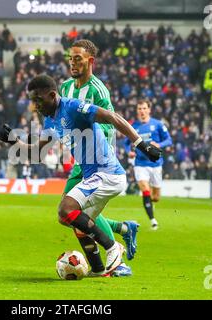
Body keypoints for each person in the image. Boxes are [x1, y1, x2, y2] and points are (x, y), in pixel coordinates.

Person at [0, 75, 162, 276]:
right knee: (71, 220)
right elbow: (36, 153)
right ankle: (100, 269)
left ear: (51, 95)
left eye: (38, 100)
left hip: (106, 173)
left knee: (66, 208)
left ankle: (113, 247)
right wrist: (13, 140)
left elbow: (113, 117)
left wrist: (141, 144)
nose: (35, 106)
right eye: (33, 101)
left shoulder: (73, 107)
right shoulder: (50, 120)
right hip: (93, 176)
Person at [60, 39, 139, 276]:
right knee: (73, 216)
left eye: (78, 59)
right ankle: (122, 231)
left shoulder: (99, 91)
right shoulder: (65, 88)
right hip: (80, 159)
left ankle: (117, 257)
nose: (73, 63)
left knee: (70, 212)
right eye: (70, 58)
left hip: (96, 160)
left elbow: (109, 124)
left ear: (90, 62)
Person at [125, 99, 173, 230]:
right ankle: (153, 220)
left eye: (144, 108)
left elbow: (169, 140)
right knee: (145, 190)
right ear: (137, 111)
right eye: (139, 109)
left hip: (156, 164)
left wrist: (159, 145)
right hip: (140, 164)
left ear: (149, 110)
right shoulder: (133, 126)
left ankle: (151, 203)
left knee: (155, 197)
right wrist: (128, 151)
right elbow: (125, 142)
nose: (142, 111)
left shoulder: (157, 125)